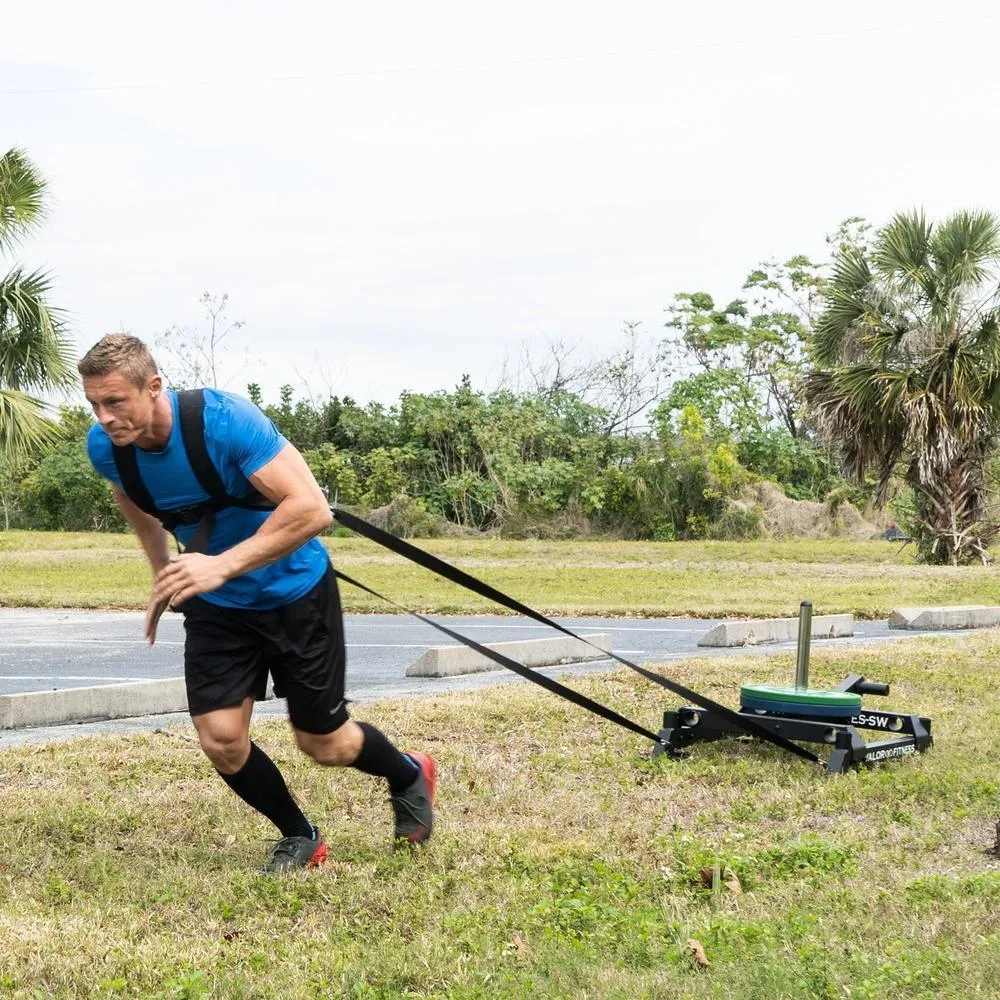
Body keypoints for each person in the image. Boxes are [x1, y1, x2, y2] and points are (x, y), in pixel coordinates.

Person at [78, 333, 436, 872]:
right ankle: (300, 834)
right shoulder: (107, 449)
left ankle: (408, 773)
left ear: (153, 387)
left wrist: (218, 565)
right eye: (94, 404)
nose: (104, 417)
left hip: (294, 593)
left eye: (115, 401)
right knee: (221, 739)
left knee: (325, 744)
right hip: (216, 605)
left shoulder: (224, 422)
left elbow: (313, 510)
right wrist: (163, 577)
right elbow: (137, 503)